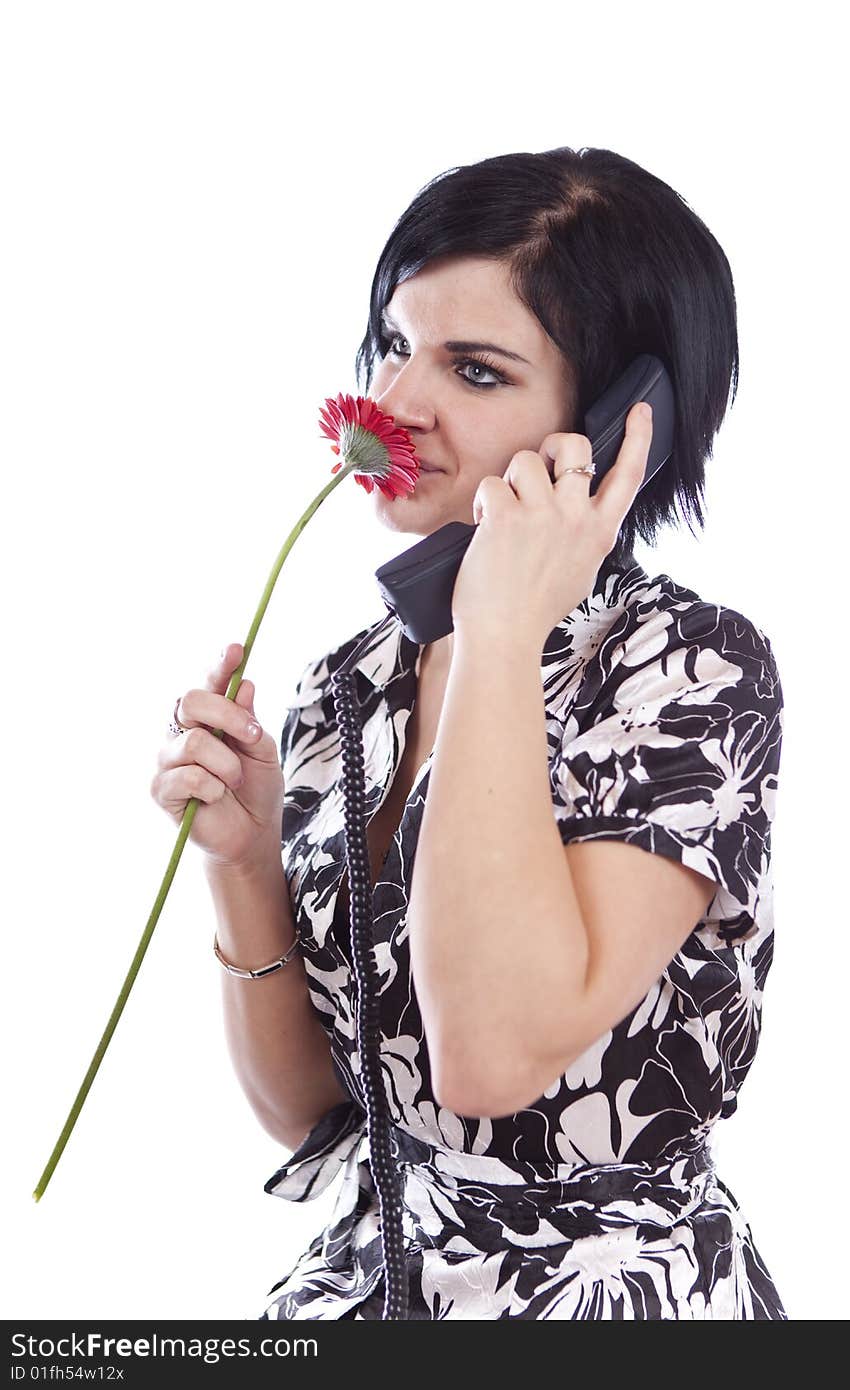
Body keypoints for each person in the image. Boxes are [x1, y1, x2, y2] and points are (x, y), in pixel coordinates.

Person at [151, 146, 787, 1320]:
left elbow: (489, 1062)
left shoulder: (688, 670)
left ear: (616, 423)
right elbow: (318, 1117)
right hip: (371, 1290)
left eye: (475, 370)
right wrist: (241, 864)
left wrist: (498, 631)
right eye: (394, 345)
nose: (395, 405)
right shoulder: (351, 682)